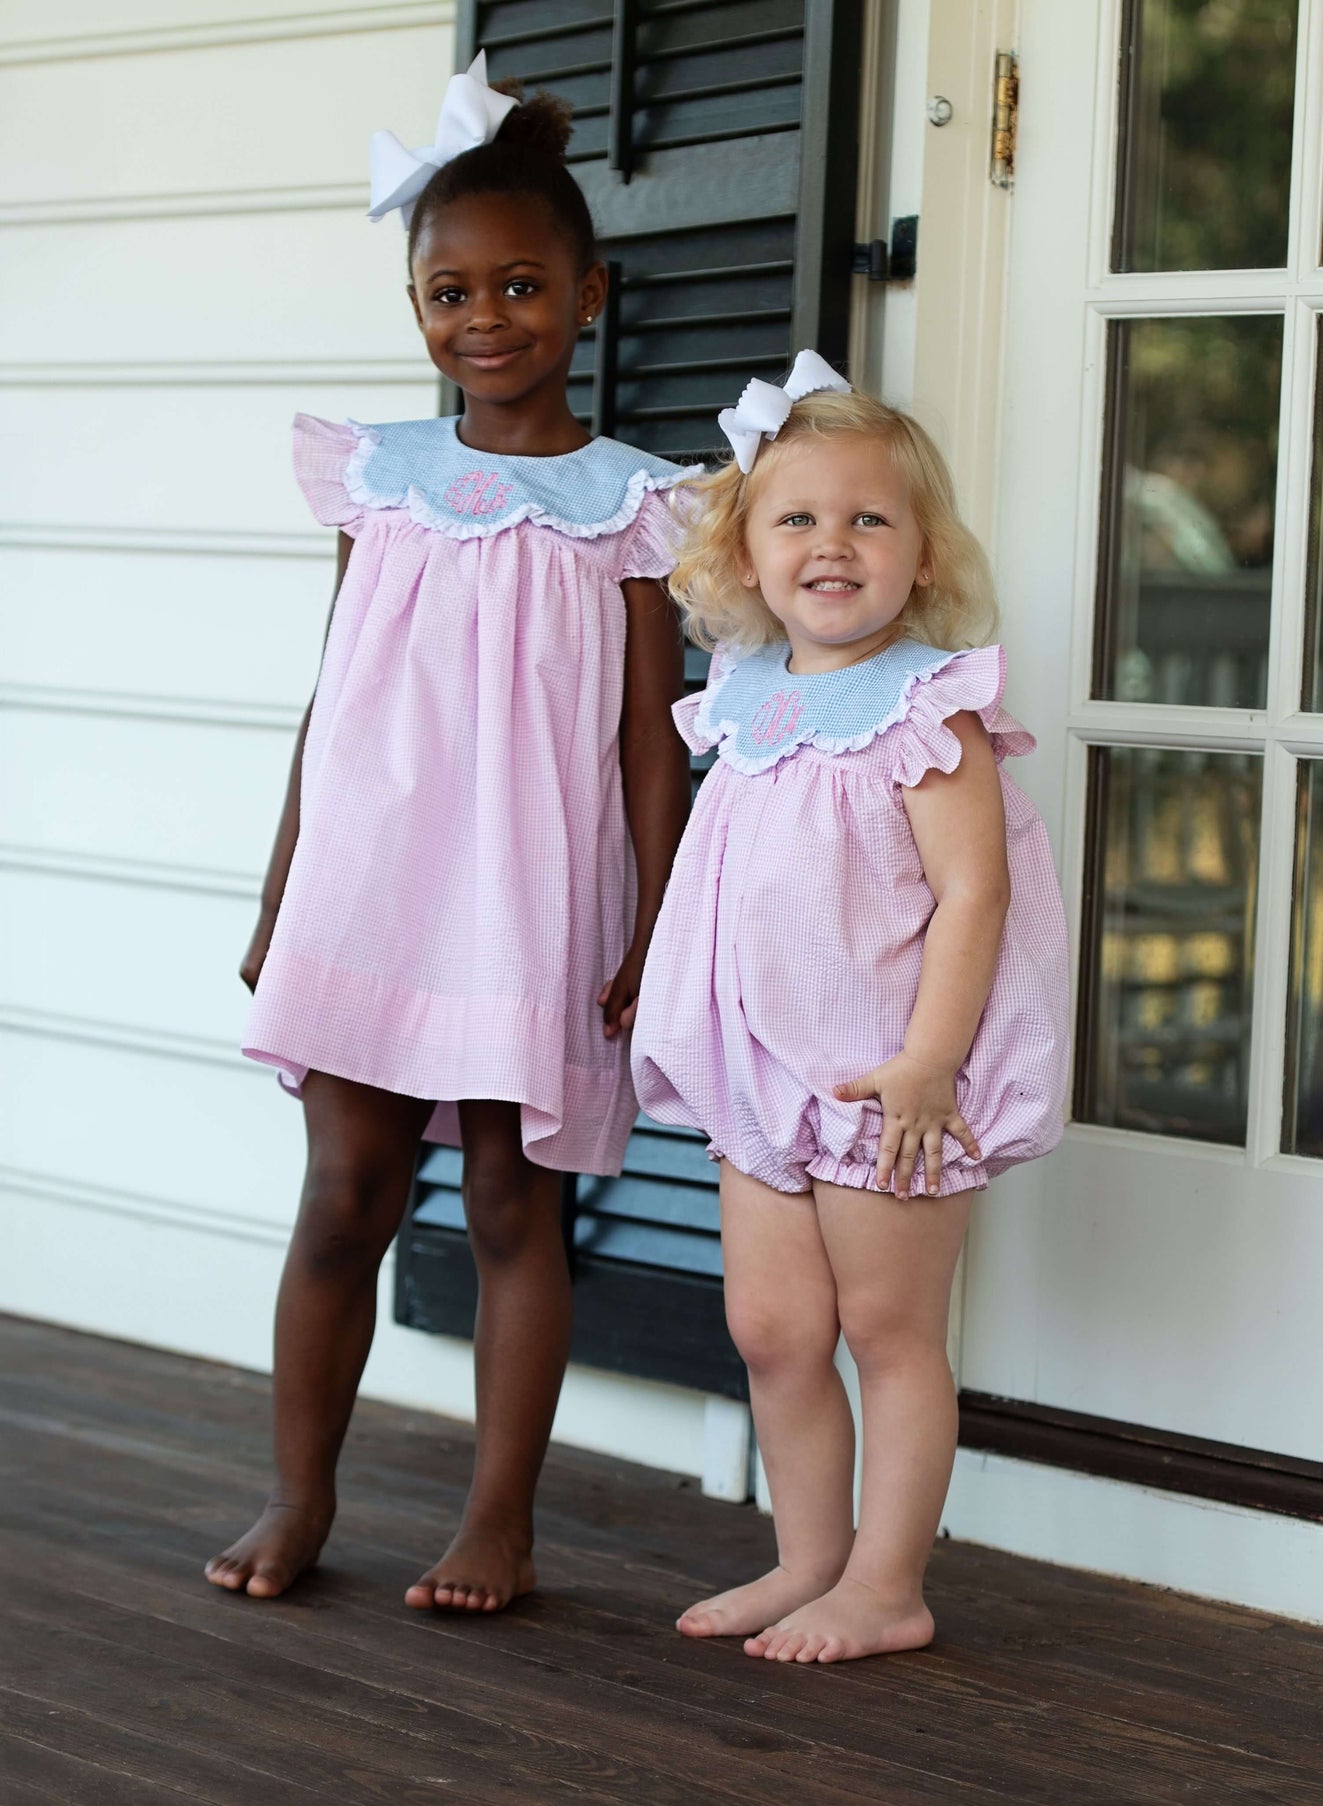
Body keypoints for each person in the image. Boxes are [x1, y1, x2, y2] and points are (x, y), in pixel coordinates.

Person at [205, 55, 693, 1609]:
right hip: (370, 875)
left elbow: (642, 738)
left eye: (521, 285)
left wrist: (652, 915)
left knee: (504, 1197)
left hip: (531, 892)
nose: (484, 318)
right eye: (448, 292)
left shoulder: (632, 505)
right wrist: (283, 893)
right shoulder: (382, 481)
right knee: (342, 1190)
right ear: (419, 308)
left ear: (589, 296)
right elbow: (329, 701)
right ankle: (298, 1495)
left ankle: (500, 1517)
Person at [631, 357, 1069, 1663]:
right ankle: (806, 1557)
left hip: (889, 1077)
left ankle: (886, 1583)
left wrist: (931, 1059)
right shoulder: (746, 699)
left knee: (887, 1330)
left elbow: (973, 894)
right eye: (795, 519)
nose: (832, 542)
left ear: (923, 556)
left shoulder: (931, 705)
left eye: (868, 518)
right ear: (747, 555)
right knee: (771, 1329)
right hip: (762, 1074)